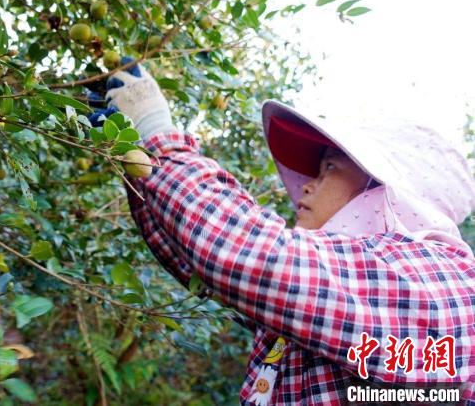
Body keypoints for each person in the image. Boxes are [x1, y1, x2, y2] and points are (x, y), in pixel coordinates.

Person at [88, 58, 475, 405]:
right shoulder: (335, 296)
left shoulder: (440, 283)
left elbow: (250, 257)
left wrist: (158, 133)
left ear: (384, 191)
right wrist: (135, 151)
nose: (307, 186)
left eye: (328, 170)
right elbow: (200, 262)